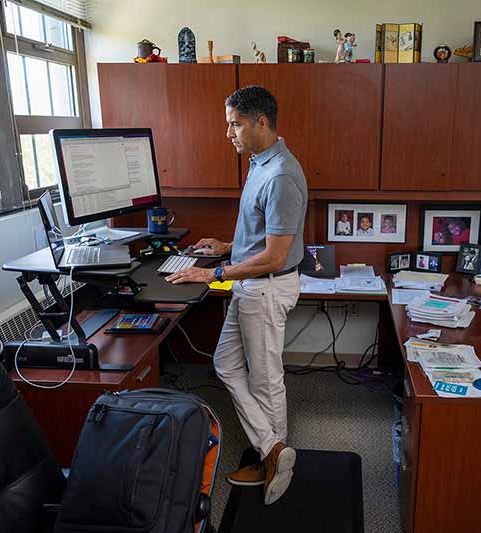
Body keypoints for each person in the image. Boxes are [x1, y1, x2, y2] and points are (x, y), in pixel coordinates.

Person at [165, 85, 307, 506]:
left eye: (235, 124)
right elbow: (263, 236)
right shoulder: (259, 162)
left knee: (266, 381)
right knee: (225, 365)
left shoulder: (281, 175)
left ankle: (275, 467)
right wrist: (227, 247)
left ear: (261, 122)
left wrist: (213, 275)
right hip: (249, 283)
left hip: (264, 287)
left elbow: (276, 256)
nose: (228, 133)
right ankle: (273, 449)